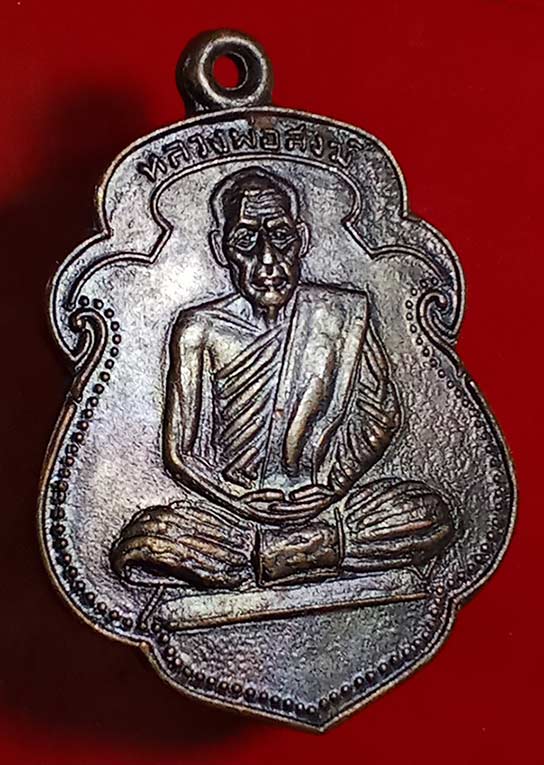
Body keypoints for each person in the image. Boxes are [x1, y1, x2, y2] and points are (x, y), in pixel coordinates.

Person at [111, 168, 454, 588]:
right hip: (233, 512)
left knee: (430, 514)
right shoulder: (199, 329)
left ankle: (269, 555)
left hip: (327, 504)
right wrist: (239, 499)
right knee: (152, 538)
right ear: (221, 249)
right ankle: (303, 550)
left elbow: (381, 415)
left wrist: (333, 486)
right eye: (245, 242)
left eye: (281, 237)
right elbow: (180, 453)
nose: (268, 260)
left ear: (302, 239)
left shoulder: (341, 314)